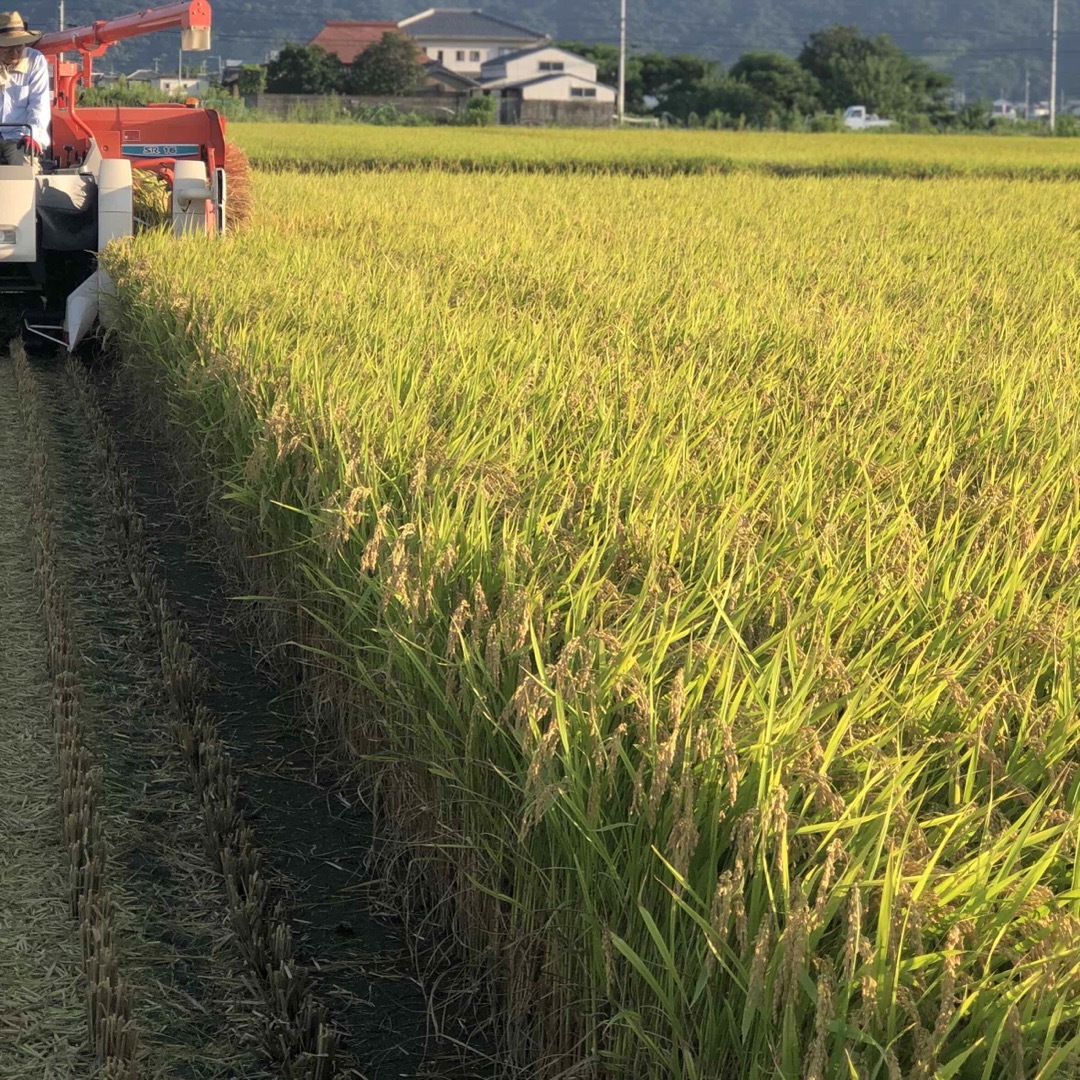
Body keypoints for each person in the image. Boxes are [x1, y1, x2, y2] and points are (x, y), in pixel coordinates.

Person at [0, 11, 48, 165]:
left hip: (20, 137)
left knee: (26, 165)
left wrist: (32, 134)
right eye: (8, 48)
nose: (15, 53)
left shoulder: (36, 60)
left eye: (19, 47)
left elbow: (39, 103)